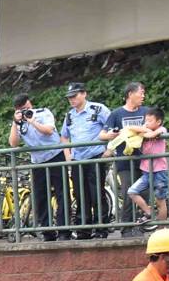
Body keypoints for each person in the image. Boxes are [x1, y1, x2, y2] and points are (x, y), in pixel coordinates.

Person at [11, 95, 67, 239]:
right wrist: (15, 123)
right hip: (37, 161)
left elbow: (48, 130)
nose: (25, 110)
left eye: (26, 106)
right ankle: (47, 231)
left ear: (30, 103)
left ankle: (64, 230)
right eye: (21, 109)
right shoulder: (19, 121)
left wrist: (32, 121)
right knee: (40, 196)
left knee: (62, 193)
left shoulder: (43, 113)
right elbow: (13, 143)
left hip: (55, 156)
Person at [62, 83, 112, 237]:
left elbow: (112, 128)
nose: (72, 99)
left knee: (96, 193)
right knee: (80, 194)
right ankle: (83, 229)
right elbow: (64, 136)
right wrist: (68, 155)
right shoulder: (70, 115)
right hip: (78, 159)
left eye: (75, 96)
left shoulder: (98, 109)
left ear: (84, 94)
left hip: (96, 156)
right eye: (70, 97)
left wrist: (109, 150)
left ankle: (101, 228)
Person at [103, 82, 151, 235]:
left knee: (144, 193)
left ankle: (140, 225)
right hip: (124, 161)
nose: (143, 96)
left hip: (144, 159)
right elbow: (102, 134)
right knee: (129, 192)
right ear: (130, 94)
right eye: (140, 93)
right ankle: (127, 227)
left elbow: (154, 127)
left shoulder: (146, 111)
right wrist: (112, 135)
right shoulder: (117, 114)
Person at [126, 106, 169, 222]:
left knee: (160, 201)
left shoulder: (162, 129)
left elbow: (152, 135)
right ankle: (149, 212)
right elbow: (129, 128)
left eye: (150, 121)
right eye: (146, 120)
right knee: (132, 191)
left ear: (158, 122)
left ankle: (161, 229)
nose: (147, 123)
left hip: (159, 171)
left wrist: (143, 132)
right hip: (146, 171)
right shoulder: (145, 128)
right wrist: (145, 129)